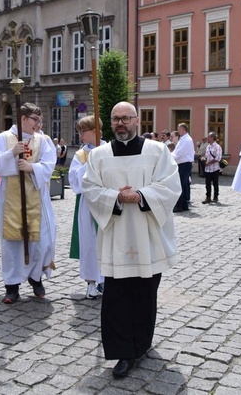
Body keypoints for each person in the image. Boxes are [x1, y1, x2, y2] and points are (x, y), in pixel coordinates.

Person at [82, 102, 180, 378]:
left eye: (126, 118)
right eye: (116, 119)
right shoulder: (99, 155)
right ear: (110, 123)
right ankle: (124, 351)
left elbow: (171, 185)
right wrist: (115, 197)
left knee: (145, 293)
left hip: (148, 236)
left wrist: (140, 196)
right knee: (116, 297)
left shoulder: (157, 152)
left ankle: (142, 343)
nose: (121, 123)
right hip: (116, 237)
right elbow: (89, 187)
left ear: (137, 120)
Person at [0, 102, 57, 304]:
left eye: (39, 119)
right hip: (10, 199)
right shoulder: (4, 138)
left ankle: (36, 279)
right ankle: (11, 286)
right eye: (35, 119)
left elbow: (49, 165)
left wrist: (31, 167)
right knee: (12, 242)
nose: (38, 123)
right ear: (23, 119)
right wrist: (11, 153)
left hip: (35, 195)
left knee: (39, 241)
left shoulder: (43, 140)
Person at [68, 115, 106, 300]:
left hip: (107, 201)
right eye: (79, 132)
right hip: (88, 204)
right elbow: (74, 179)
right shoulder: (81, 155)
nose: (80, 136)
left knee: (108, 242)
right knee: (90, 243)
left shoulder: (109, 149)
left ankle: (107, 280)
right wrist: (89, 163)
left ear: (94, 131)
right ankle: (91, 282)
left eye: (83, 132)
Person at [172, 123, 194, 212]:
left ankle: (179, 205)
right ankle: (184, 205)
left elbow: (178, 153)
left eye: (179, 129)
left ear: (183, 130)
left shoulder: (186, 140)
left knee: (180, 185)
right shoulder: (183, 139)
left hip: (184, 164)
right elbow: (177, 152)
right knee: (184, 185)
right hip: (182, 164)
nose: (178, 130)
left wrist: (168, 156)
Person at [201, 132, 222, 204]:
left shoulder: (217, 147)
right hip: (207, 169)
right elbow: (207, 156)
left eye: (209, 137)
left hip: (214, 168)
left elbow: (218, 158)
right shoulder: (208, 146)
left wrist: (208, 163)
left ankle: (215, 197)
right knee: (207, 184)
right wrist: (203, 158)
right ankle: (208, 197)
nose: (207, 138)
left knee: (215, 183)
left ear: (213, 138)